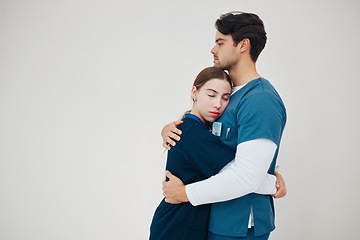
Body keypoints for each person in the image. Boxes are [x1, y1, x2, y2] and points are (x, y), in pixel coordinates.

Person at [161, 12, 287, 240]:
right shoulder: (226, 96)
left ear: (243, 45)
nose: (213, 49)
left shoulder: (260, 99)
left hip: (239, 226)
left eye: (220, 42)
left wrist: (184, 193)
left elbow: (247, 175)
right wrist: (171, 127)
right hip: (214, 218)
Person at [149, 67, 278, 240]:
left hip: (188, 222)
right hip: (177, 225)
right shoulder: (192, 133)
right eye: (211, 95)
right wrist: (274, 183)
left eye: (225, 98)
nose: (218, 104)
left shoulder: (200, 130)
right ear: (195, 92)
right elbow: (241, 174)